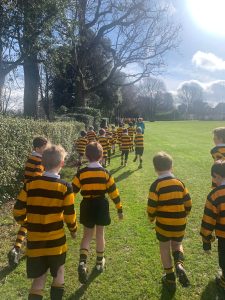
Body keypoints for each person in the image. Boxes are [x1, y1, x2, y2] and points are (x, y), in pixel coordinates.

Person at [13, 145, 77, 300]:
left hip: (35, 242)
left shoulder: (29, 185)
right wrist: (73, 230)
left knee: (39, 279)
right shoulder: (65, 187)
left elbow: (17, 212)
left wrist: (28, 224)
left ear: (42, 163)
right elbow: (69, 214)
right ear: (62, 163)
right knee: (59, 273)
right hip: (56, 242)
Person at [72, 142, 123, 284]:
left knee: (87, 235)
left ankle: (82, 262)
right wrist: (119, 208)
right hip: (101, 205)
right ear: (101, 156)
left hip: (87, 205)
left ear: (87, 156)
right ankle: (100, 262)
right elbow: (114, 193)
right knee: (100, 234)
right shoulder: (106, 173)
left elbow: (71, 193)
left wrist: (65, 208)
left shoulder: (81, 173)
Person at [147, 152, 192, 291]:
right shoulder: (179, 183)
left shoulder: (156, 185)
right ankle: (179, 264)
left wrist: (151, 218)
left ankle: (170, 277)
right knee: (177, 245)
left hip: (163, 225)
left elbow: (151, 207)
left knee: (164, 248)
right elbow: (188, 203)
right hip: (180, 223)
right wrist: (185, 214)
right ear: (171, 166)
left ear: (155, 169)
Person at [8, 136, 48, 267]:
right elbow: (37, 178)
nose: (45, 149)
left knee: (27, 222)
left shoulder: (30, 158)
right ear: (37, 148)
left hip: (26, 192)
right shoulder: (40, 160)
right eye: (44, 147)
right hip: (34, 194)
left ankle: (16, 248)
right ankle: (29, 248)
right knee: (34, 221)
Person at [200, 161, 225, 294]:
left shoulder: (215, 194)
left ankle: (223, 282)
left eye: (213, 177)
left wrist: (206, 239)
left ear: (217, 176)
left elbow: (208, 221)